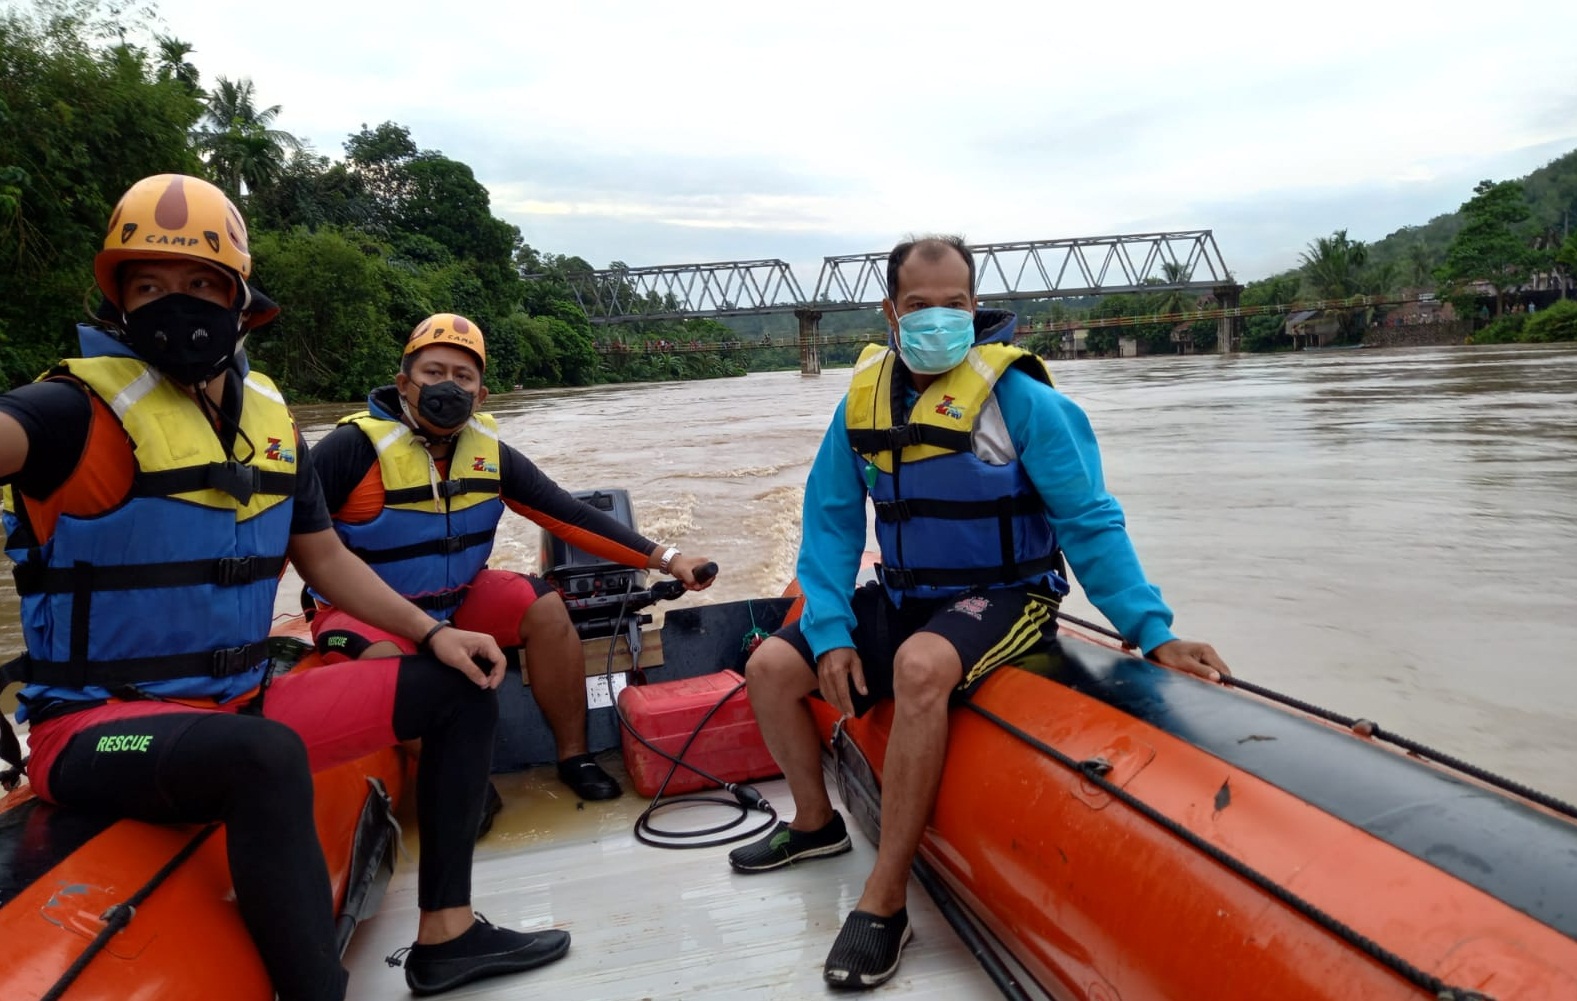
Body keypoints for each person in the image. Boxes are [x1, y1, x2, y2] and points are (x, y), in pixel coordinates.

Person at [0, 174, 567, 1000]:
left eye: (200, 284)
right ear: (117, 301)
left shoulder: (268, 422)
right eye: (148, 286)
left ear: (239, 300)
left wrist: (435, 631)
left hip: (240, 697)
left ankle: (448, 933)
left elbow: (326, 559)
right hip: (96, 728)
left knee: (461, 684)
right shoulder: (65, 413)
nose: (175, 304)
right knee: (261, 757)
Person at [727, 236, 1231, 990]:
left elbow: (1089, 521)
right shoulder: (860, 404)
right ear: (890, 310)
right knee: (769, 663)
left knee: (918, 664)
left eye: (954, 304)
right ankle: (813, 823)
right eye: (919, 306)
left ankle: (885, 899)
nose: (938, 319)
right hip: (905, 592)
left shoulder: (1022, 400)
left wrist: (1150, 630)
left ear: (975, 307)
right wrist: (829, 630)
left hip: (1007, 596)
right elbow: (829, 525)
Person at [305, 312, 716, 801]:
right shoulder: (348, 451)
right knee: (386, 659)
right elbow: (284, 537)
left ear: (481, 396)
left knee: (545, 607)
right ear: (404, 383)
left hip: (455, 599)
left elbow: (570, 516)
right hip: (366, 611)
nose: (447, 387)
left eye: (463, 377)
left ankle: (574, 754)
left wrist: (669, 560)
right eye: (433, 373)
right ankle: (459, 781)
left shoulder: (491, 455)